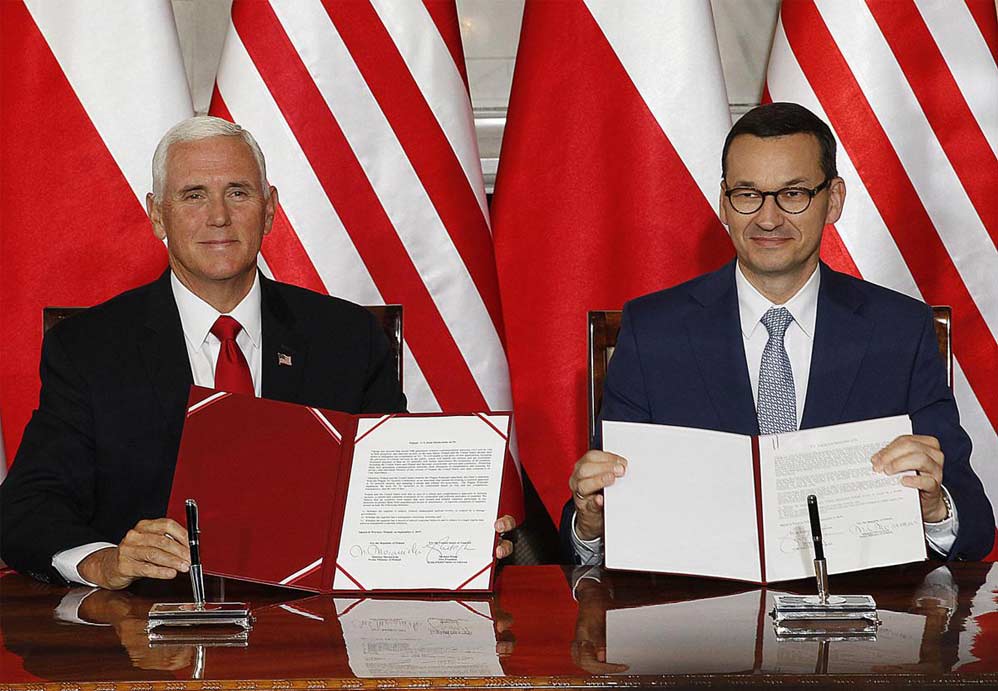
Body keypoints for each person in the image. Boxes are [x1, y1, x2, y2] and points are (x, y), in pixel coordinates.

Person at [1, 116, 515, 590]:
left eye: (238, 193)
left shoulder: (348, 338)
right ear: (157, 215)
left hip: (315, 625)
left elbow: (389, 490)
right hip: (151, 626)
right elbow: (27, 507)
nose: (219, 216)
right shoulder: (89, 347)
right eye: (194, 195)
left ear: (269, 209)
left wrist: (454, 530)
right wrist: (105, 562)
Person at [562, 102, 995, 565]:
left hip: (860, 606)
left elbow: (974, 526)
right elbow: (592, 519)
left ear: (833, 200)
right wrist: (591, 522)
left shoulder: (899, 331)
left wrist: (935, 508)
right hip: (697, 604)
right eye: (748, 194)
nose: (768, 218)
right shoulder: (653, 332)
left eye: (793, 194)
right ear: (724, 202)